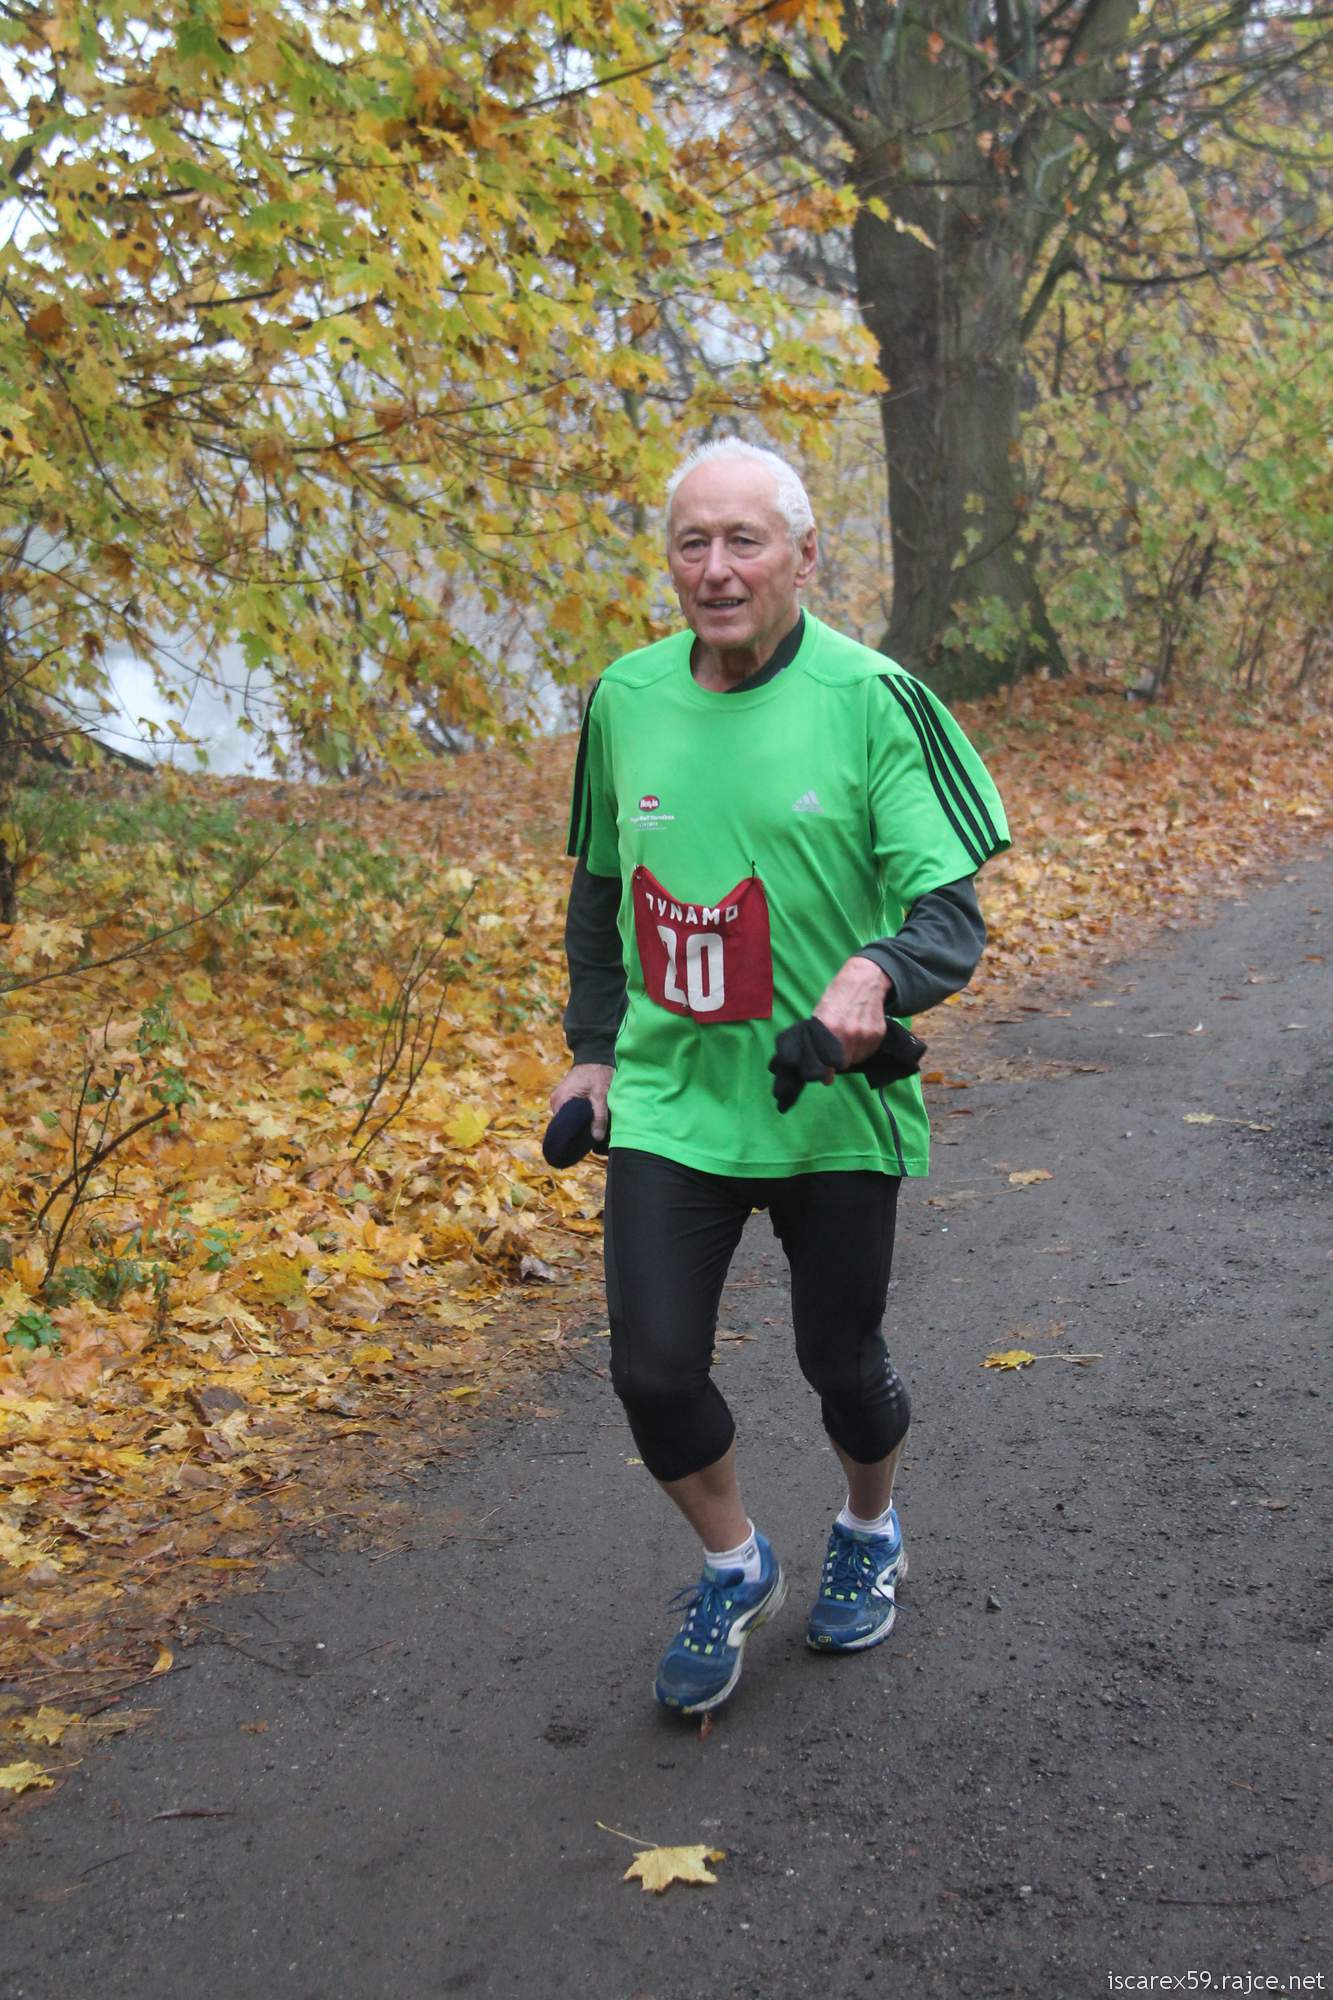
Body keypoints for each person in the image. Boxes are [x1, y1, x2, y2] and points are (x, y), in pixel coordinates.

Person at [550, 438, 1009, 1715]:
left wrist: (872, 975)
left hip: (830, 1102)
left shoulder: (873, 699)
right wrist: (592, 1051)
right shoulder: (625, 699)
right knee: (651, 1371)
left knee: (839, 1363)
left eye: (743, 541)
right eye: (692, 542)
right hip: (673, 1099)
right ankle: (734, 1560)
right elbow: (598, 898)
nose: (715, 568)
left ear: (805, 555)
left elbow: (947, 914)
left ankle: (868, 1525)